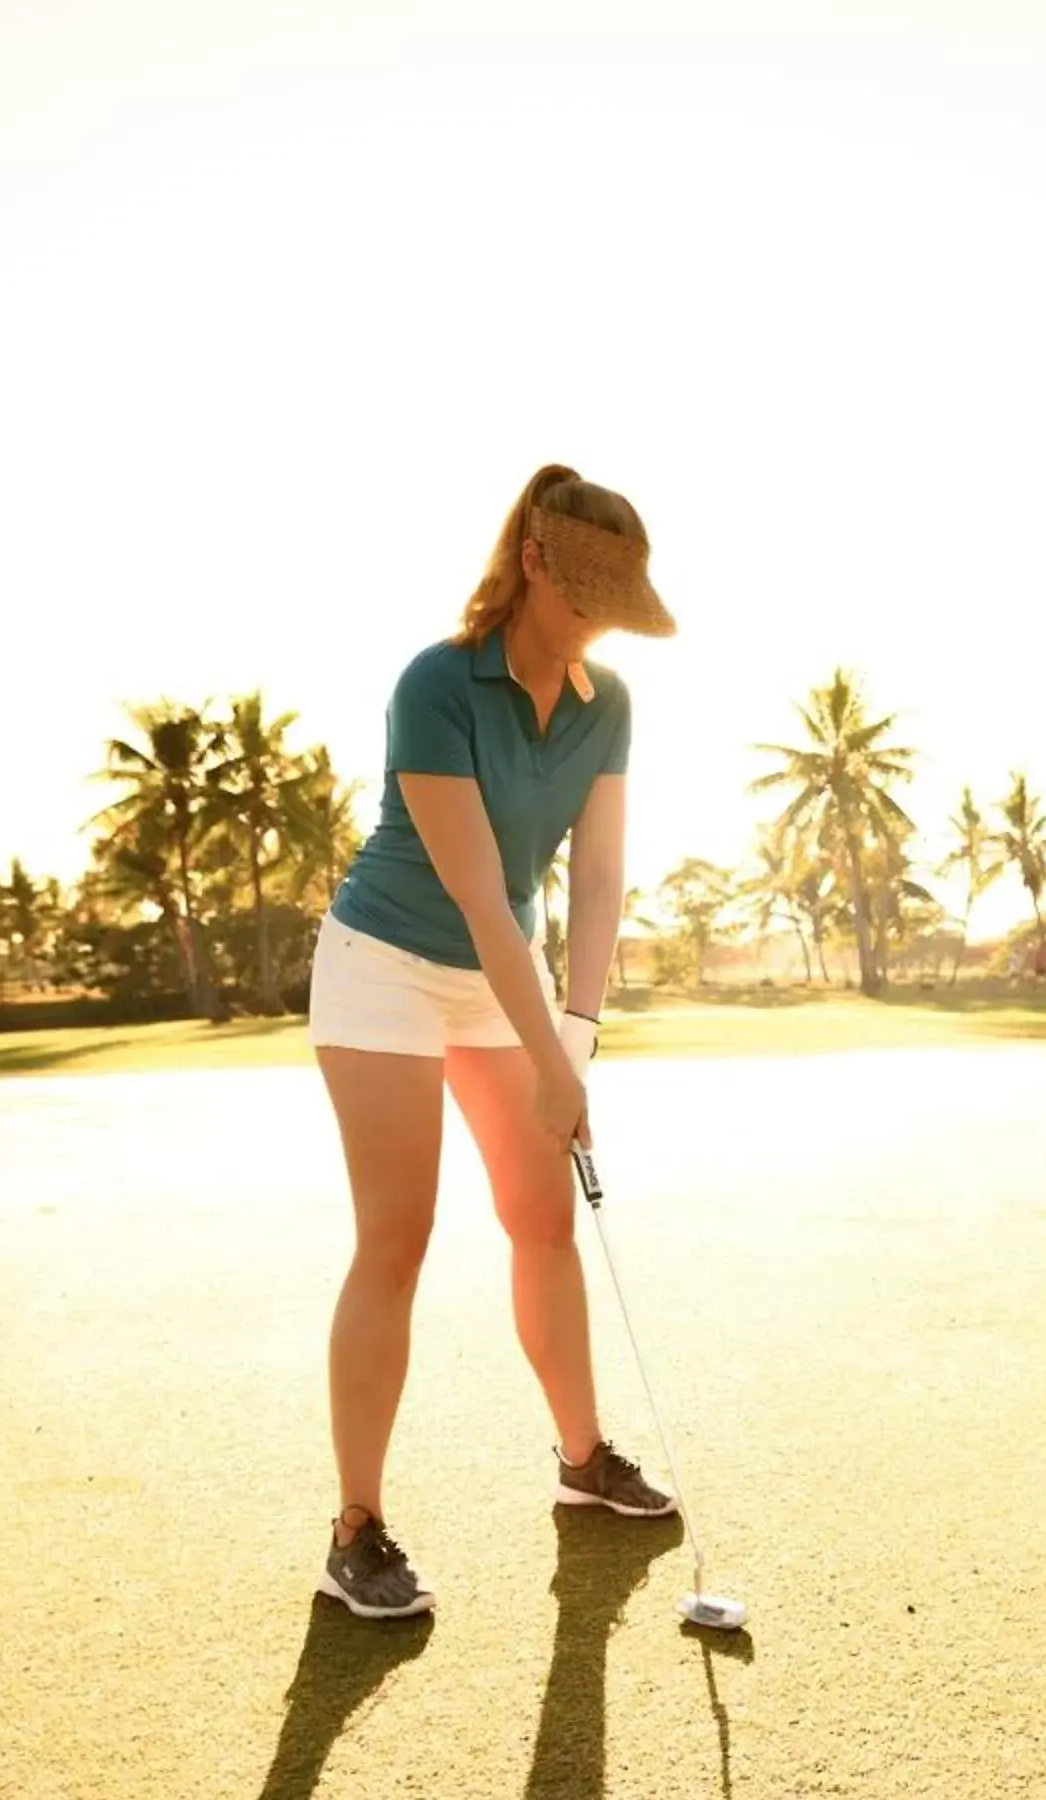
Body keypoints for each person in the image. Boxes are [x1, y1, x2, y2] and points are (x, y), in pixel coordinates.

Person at [302, 464, 680, 1618]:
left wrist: (578, 1031)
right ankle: (355, 1527)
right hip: (385, 969)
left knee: (541, 1220)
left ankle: (582, 1459)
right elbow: (473, 891)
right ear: (531, 564)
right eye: (580, 599)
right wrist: (553, 1063)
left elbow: (600, 871)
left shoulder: (606, 701)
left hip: (498, 979)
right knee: (399, 1235)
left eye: (612, 609)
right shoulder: (436, 685)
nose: (592, 626)